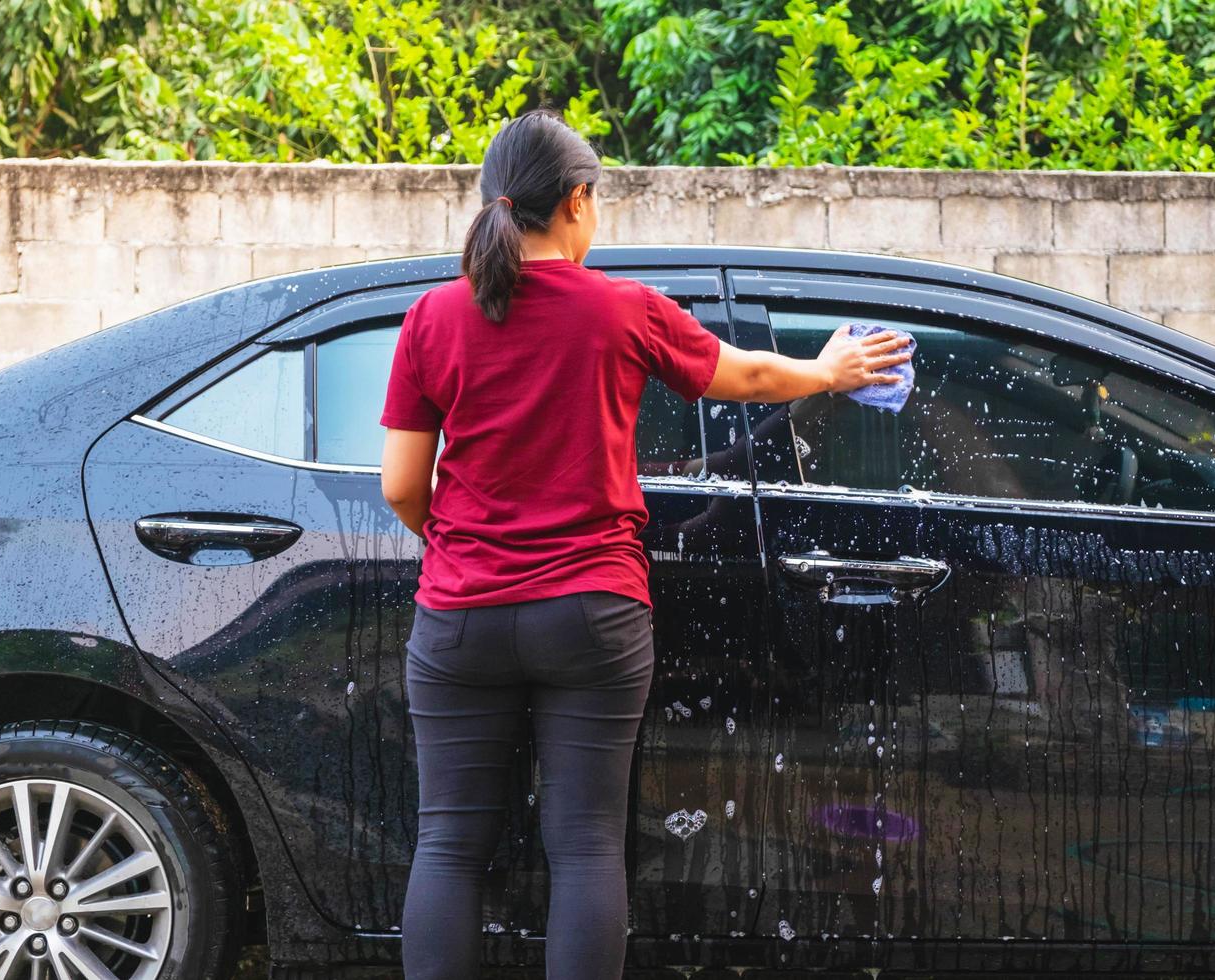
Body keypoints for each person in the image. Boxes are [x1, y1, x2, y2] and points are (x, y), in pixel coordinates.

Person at [378, 107, 912, 980]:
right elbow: (740, 374)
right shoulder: (621, 311)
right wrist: (827, 371)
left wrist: (459, 545)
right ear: (578, 201)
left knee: (449, 845)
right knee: (585, 845)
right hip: (592, 612)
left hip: (461, 617)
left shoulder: (433, 318)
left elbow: (402, 484)